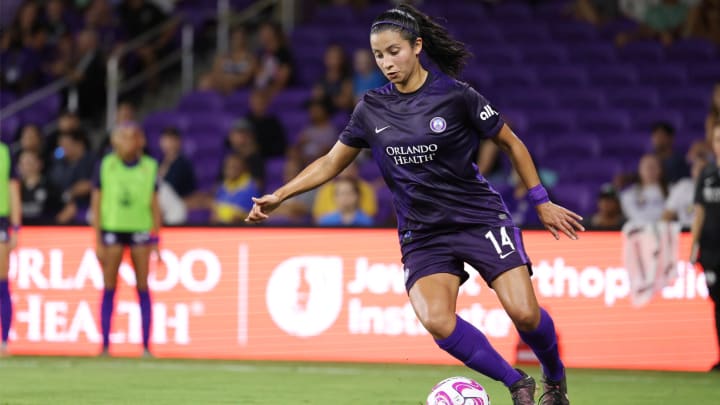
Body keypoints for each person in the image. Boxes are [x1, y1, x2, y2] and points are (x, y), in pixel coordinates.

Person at [246, 5, 582, 404]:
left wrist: (540, 200)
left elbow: (511, 142)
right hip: (423, 232)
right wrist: (279, 195)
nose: (386, 63)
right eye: (378, 56)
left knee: (525, 314)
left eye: (394, 52)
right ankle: (517, 385)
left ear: (417, 46)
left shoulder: (456, 95)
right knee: (437, 321)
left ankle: (555, 380)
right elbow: (332, 161)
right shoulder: (371, 108)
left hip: (478, 219)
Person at [91, 123, 161, 357]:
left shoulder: (149, 167)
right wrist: (98, 240)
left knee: (143, 287)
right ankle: (105, 345)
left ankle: (145, 346)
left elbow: (154, 204)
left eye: (130, 137)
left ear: (139, 141)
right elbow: (96, 203)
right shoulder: (106, 165)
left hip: (140, 229)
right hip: (112, 230)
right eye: (121, 137)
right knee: (109, 287)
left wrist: (156, 237)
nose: (124, 142)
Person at [691, 123, 720, 372]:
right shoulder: (707, 174)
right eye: (718, 139)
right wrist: (693, 245)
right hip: (711, 250)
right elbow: (699, 211)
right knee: (717, 303)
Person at [0, 141, 21, 356]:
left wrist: (16, 227)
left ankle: (5, 340)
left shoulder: (5, 152)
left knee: (2, 282)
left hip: (0, 221)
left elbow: (13, 189)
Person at [620, 153, 668, 225]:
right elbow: (635, 217)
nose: (650, 170)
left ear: (660, 170)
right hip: (639, 232)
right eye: (647, 167)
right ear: (640, 170)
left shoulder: (672, 191)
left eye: (653, 166)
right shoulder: (628, 194)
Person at [211, 154, 259, 225]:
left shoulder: (251, 188)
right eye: (228, 167)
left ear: (243, 167)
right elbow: (215, 210)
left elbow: (246, 215)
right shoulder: (221, 187)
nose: (230, 170)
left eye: (234, 167)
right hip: (220, 228)